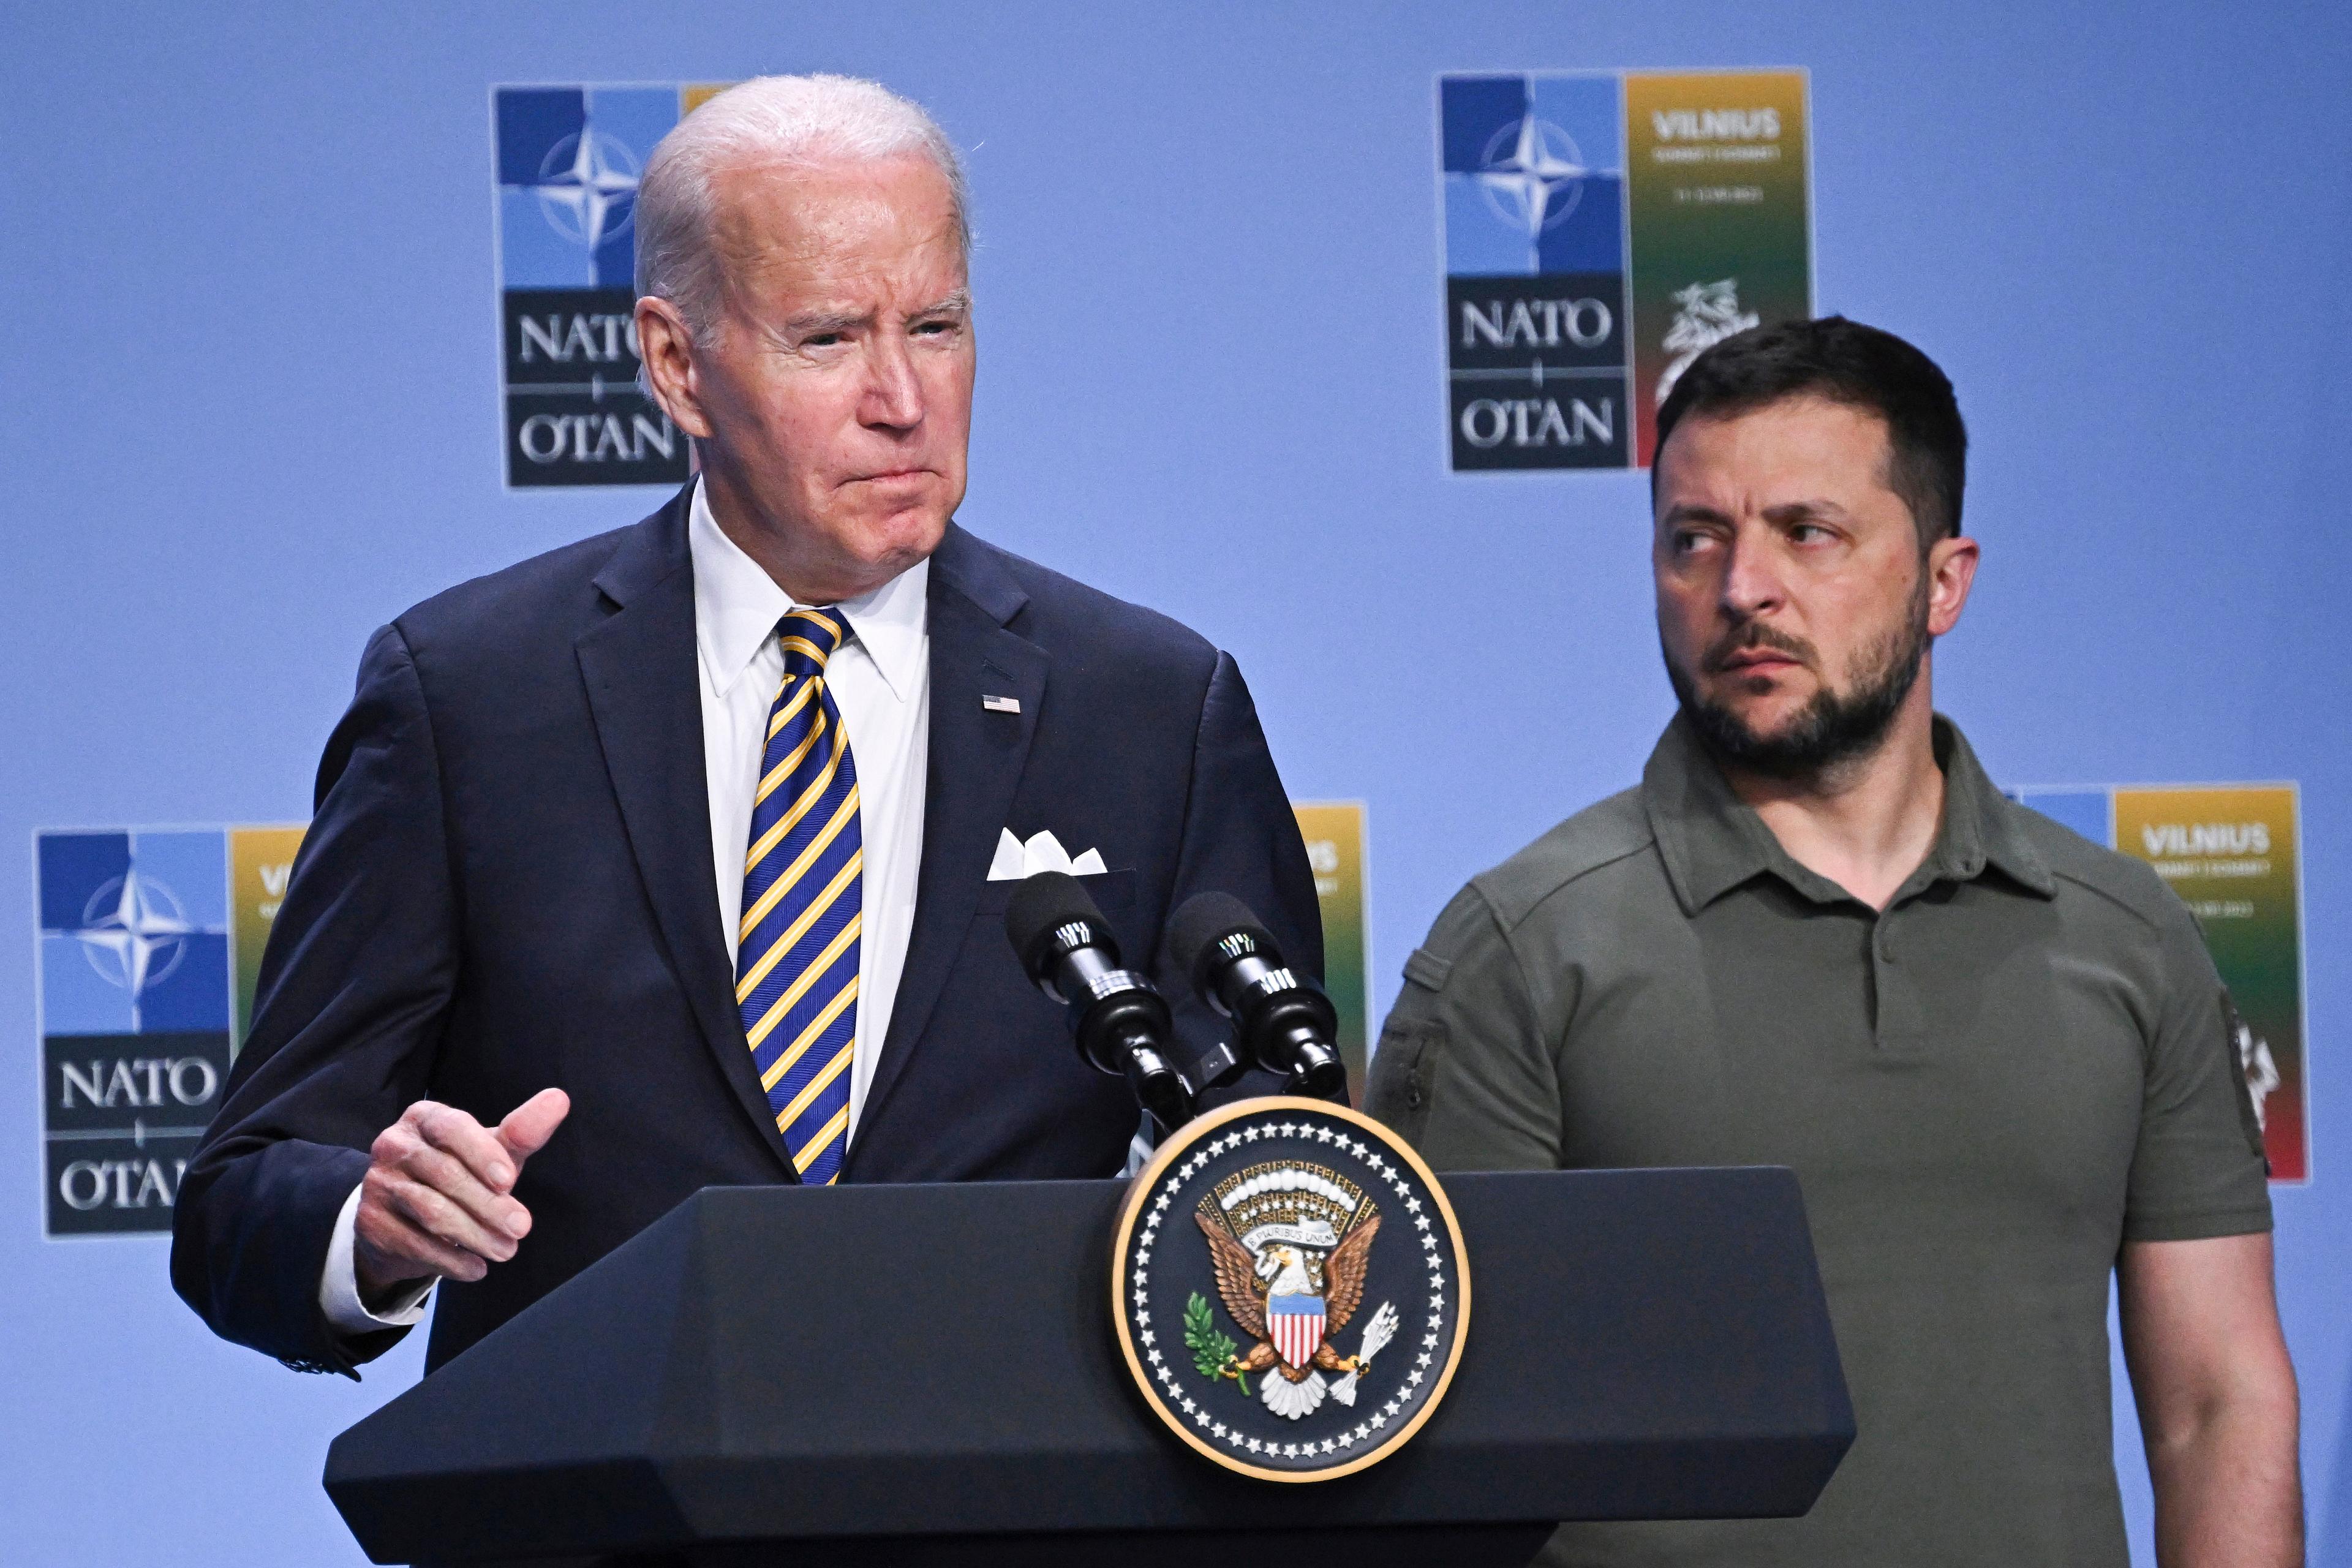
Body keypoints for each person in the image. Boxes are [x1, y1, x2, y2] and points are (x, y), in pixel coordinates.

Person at [172, 75, 1319, 1378]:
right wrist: (369, 1231)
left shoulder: (1153, 707)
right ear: (676, 362)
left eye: (936, 326)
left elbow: (1285, 1180)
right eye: (829, 339)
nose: (902, 398)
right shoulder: (471, 699)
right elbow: (237, 1201)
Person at [1366, 318, 2299, 1567]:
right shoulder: (1524, 947)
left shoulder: (2133, 939)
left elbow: (2216, 1404)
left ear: (1945, 581)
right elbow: (1416, 1439)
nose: (1744, 586)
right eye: (1696, 539)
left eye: (1808, 533)